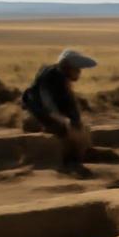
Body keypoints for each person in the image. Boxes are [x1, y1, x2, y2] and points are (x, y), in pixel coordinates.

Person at [21, 48, 97, 176]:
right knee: (70, 132)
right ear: (67, 67)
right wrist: (64, 121)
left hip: (52, 115)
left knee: (82, 129)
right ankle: (70, 160)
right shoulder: (50, 78)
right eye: (76, 69)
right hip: (38, 117)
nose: (79, 72)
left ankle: (82, 152)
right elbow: (48, 106)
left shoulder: (61, 79)